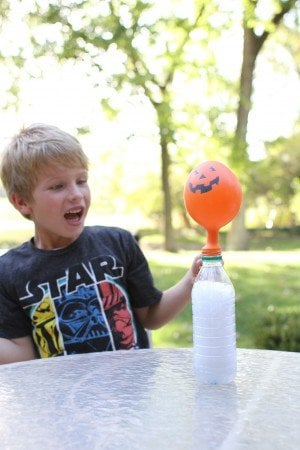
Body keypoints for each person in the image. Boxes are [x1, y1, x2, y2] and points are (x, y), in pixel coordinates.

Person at [0, 123, 201, 364]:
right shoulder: (9, 272)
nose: (76, 194)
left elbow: (150, 315)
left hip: (130, 393)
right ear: (22, 202)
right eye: (57, 186)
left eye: (81, 180)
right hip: (61, 399)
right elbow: (23, 356)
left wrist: (191, 281)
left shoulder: (118, 242)